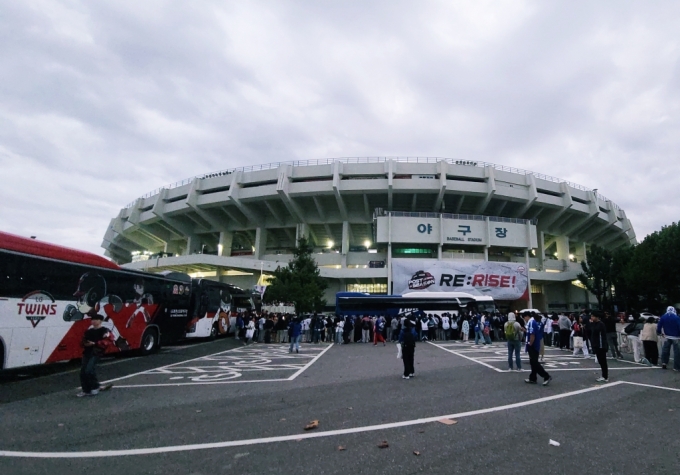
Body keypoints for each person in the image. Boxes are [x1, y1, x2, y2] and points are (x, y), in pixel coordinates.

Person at [77, 314, 115, 397]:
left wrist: (95, 343)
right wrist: (85, 344)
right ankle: (86, 390)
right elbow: (82, 341)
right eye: (92, 319)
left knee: (89, 370)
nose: (93, 321)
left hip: (96, 352)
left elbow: (109, 340)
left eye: (96, 319)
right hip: (87, 352)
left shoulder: (105, 330)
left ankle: (94, 387)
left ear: (100, 321)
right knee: (83, 372)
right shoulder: (88, 331)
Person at [523, 312, 552, 386]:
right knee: (533, 362)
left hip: (533, 345)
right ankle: (533, 378)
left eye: (524, 317)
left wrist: (530, 344)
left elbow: (532, 334)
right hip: (533, 344)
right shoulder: (532, 322)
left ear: (527, 316)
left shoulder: (532, 322)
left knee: (534, 362)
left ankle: (546, 376)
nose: (524, 319)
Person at [657, 306, 680, 371]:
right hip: (676, 337)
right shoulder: (677, 318)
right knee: (677, 352)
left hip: (667, 336)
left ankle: (664, 362)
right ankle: (676, 367)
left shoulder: (663, 317)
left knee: (665, 350)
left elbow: (659, 326)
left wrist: (659, 332)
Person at [589, 311, 609, 382]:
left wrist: (601, 346)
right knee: (600, 361)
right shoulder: (594, 324)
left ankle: (605, 376)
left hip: (601, 346)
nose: (591, 318)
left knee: (603, 361)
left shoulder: (600, 324)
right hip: (596, 345)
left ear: (597, 317)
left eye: (593, 316)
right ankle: (604, 376)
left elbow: (599, 335)